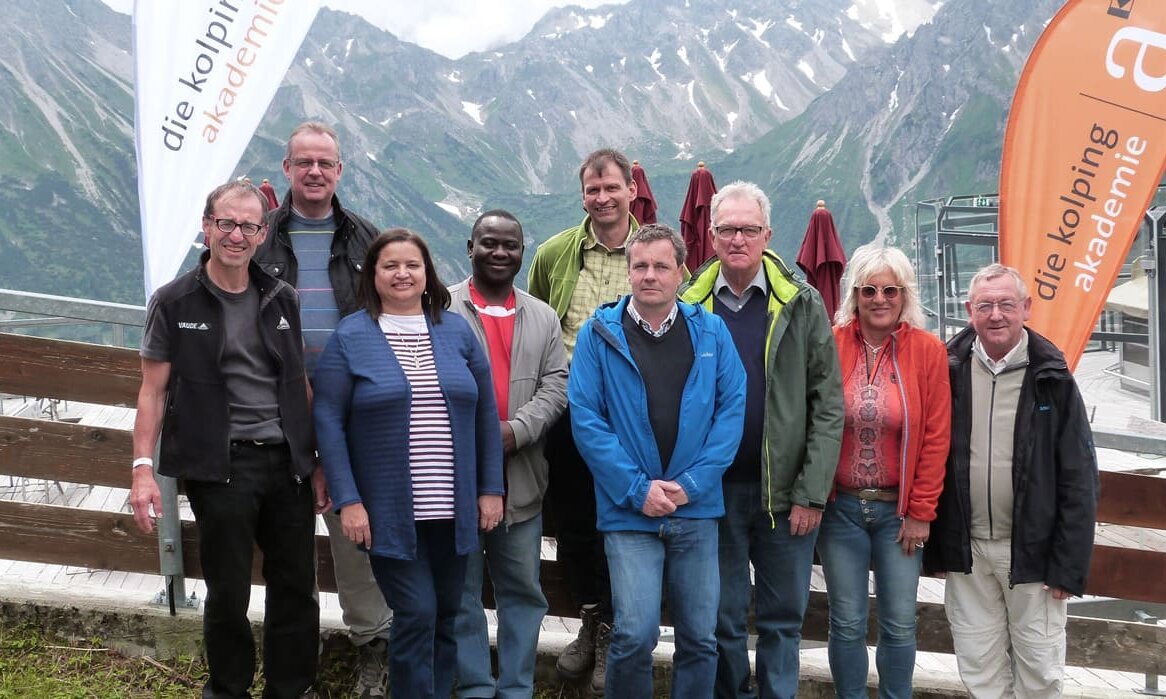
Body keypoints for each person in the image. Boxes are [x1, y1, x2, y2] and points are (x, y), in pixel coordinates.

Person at [129, 180, 325, 699]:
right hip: (220, 467)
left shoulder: (281, 298)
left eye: (248, 225)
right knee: (228, 593)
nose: (236, 235)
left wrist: (317, 460)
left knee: (296, 590)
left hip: (288, 465)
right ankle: (228, 690)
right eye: (226, 223)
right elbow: (152, 391)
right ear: (206, 226)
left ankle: (290, 689)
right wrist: (142, 469)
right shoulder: (173, 301)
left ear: (263, 233)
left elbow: (300, 383)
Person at [312, 229, 505, 699]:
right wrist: (349, 500)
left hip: (452, 508)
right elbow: (328, 420)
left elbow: (484, 414)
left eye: (412, 265)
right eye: (390, 266)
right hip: (388, 514)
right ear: (373, 276)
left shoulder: (456, 330)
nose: (402, 273)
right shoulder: (351, 336)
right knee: (416, 612)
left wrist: (490, 489)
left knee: (444, 615)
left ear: (427, 274)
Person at [679, 181, 844, 699]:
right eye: (727, 229)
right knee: (721, 620)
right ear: (711, 235)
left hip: (786, 495)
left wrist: (812, 493)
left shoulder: (801, 301)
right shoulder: (688, 303)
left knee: (781, 623)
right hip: (712, 494)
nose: (737, 239)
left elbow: (828, 404)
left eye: (749, 229)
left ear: (767, 234)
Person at [569, 223, 745, 696]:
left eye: (661, 266)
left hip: (696, 508)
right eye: (640, 265)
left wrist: (691, 484)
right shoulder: (597, 335)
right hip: (629, 512)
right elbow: (587, 421)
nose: (650, 275)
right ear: (628, 271)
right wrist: (636, 489)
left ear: (680, 272)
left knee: (700, 638)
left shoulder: (711, 332)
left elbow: (732, 412)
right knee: (634, 634)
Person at [254, 121, 388, 698]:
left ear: (339, 170)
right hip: (271, 411)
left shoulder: (366, 239)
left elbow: (390, 321)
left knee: (357, 536)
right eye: (303, 162)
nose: (314, 171)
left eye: (324, 163)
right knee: (286, 546)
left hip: (350, 411)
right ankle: (293, 670)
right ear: (286, 169)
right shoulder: (257, 237)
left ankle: (372, 649)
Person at [925, 263, 1099, 698]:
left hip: (1034, 555)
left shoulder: (1052, 378)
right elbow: (928, 454)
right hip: (968, 552)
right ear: (970, 311)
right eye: (985, 305)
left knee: (1039, 668)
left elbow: (1079, 477)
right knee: (979, 666)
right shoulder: (948, 369)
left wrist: (1068, 565)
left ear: (1026, 308)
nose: (996, 314)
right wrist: (939, 545)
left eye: (1006, 304)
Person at [527, 147, 640, 692]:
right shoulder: (554, 254)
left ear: (630, 190)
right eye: (592, 191)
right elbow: (540, 327)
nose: (601, 199)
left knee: (622, 519)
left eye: (610, 188)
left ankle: (617, 627)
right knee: (573, 523)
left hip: (635, 416)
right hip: (570, 411)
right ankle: (592, 622)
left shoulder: (655, 254)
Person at [817, 244, 951, 698]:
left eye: (890, 289)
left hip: (899, 515)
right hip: (842, 511)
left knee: (898, 622)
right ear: (854, 294)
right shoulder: (831, 344)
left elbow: (936, 437)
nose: (880, 299)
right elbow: (815, 422)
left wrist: (921, 511)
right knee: (847, 621)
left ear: (904, 294)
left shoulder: (929, 351)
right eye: (869, 289)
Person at [449, 210, 569, 698]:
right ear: (470, 247)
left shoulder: (541, 315)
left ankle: (516, 688)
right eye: (489, 243)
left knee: (522, 592)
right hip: (455, 482)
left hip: (522, 481)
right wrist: (477, 437)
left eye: (511, 245)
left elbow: (556, 385)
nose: (500, 253)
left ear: (523, 252)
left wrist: (516, 431)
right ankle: (475, 685)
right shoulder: (440, 309)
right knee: (461, 595)